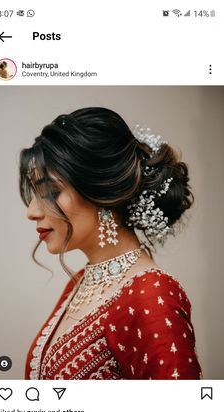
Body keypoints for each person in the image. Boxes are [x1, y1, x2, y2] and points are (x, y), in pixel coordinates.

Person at [19, 107, 202, 380]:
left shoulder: (152, 294)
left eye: (51, 191)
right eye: (34, 193)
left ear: (102, 192)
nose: (31, 211)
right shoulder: (80, 282)